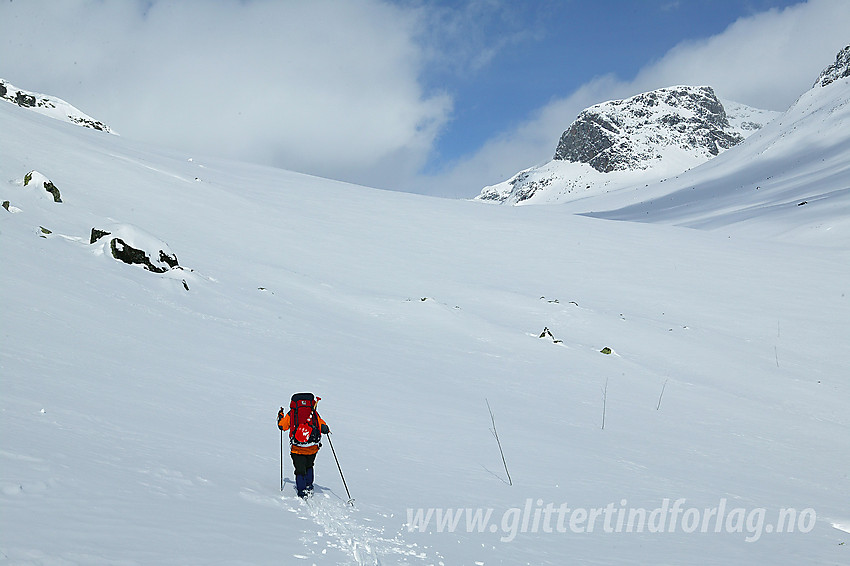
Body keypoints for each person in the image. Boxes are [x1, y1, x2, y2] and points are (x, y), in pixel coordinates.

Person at [278, 393, 329, 498]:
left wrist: (280, 416)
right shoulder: (313, 412)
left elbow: (282, 426)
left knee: (299, 469)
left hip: (297, 448)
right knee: (309, 466)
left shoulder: (292, 413)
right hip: (312, 447)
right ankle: (309, 486)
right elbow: (323, 427)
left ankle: (301, 491)